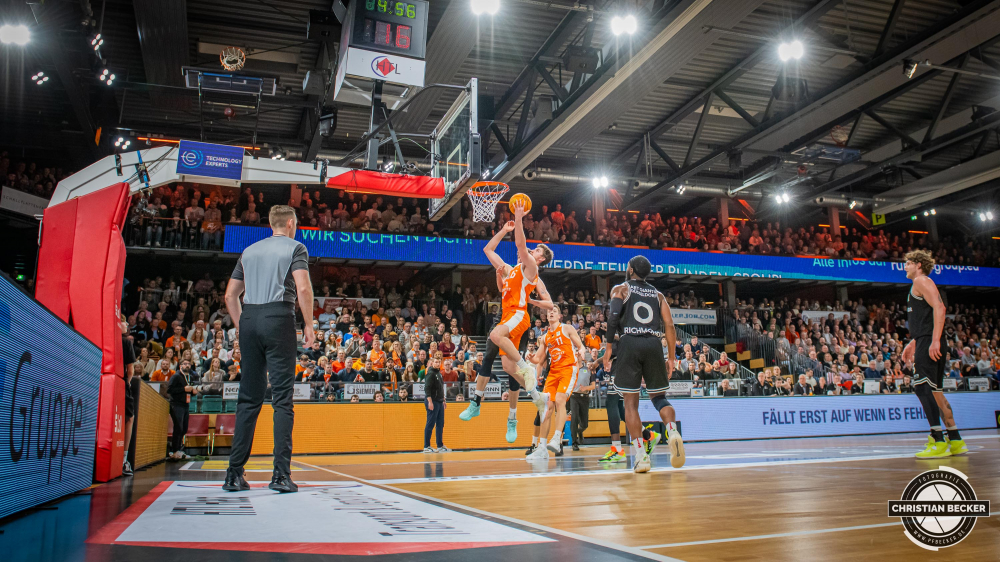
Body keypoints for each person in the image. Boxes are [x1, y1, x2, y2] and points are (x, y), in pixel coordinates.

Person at [223, 205, 314, 493]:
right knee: (282, 400)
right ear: (290, 223)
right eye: (296, 224)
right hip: (278, 317)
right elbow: (303, 289)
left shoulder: (249, 251)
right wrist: (309, 325)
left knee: (248, 399)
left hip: (249, 317)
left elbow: (230, 295)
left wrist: (242, 325)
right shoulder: (295, 247)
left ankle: (234, 474)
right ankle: (280, 476)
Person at [459, 199, 554, 439]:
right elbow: (488, 250)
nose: (533, 251)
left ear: (540, 259)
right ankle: (537, 397)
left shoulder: (531, 268)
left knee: (494, 335)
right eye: (535, 250)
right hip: (508, 315)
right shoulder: (510, 269)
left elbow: (522, 245)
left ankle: (527, 370)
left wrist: (520, 218)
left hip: (519, 315)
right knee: (508, 367)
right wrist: (504, 230)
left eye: (538, 251)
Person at [603, 255, 684, 473]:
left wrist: (609, 347)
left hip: (629, 343)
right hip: (654, 344)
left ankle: (641, 455)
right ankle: (672, 431)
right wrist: (671, 357)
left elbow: (613, 319)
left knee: (630, 403)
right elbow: (669, 325)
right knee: (659, 397)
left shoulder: (621, 289)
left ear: (630, 270)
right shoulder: (658, 295)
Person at [901, 250, 966, 458]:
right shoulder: (919, 284)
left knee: (922, 388)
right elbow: (927, 318)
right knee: (936, 392)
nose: (905, 266)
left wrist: (934, 340)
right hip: (925, 339)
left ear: (919, 265)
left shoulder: (921, 280)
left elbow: (940, 307)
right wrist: (914, 342)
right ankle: (955, 440)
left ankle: (938, 440)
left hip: (930, 341)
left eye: (909, 263)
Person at [526, 308, 587, 459]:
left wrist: (582, 351)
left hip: (568, 368)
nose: (551, 313)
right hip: (553, 372)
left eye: (554, 311)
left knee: (560, 400)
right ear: (546, 317)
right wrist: (530, 357)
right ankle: (542, 448)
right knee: (546, 407)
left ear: (559, 315)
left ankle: (557, 438)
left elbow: (581, 346)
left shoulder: (567, 328)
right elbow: (538, 359)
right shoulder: (545, 337)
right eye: (549, 312)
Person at [168, 359, 198, 459]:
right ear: (180, 366)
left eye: (189, 364)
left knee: (184, 428)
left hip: (185, 405)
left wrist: (193, 392)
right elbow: (169, 389)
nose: (187, 365)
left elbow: (188, 392)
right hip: (176, 404)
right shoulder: (176, 376)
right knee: (178, 427)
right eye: (185, 364)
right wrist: (183, 389)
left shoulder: (190, 377)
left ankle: (179, 449)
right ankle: (174, 450)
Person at [423, 356, 448, 453]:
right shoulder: (431, 374)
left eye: (439, 362)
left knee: (440, 423)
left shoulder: (439, 373)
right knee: (430, 423)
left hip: (439, 401)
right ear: (432, 363)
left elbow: (440, 388)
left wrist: (443, 400)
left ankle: (439, 445)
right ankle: (426, 446)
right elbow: (427, 389)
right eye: (436, 362)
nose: (438, 363)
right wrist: (430, 401)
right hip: (433, 401)